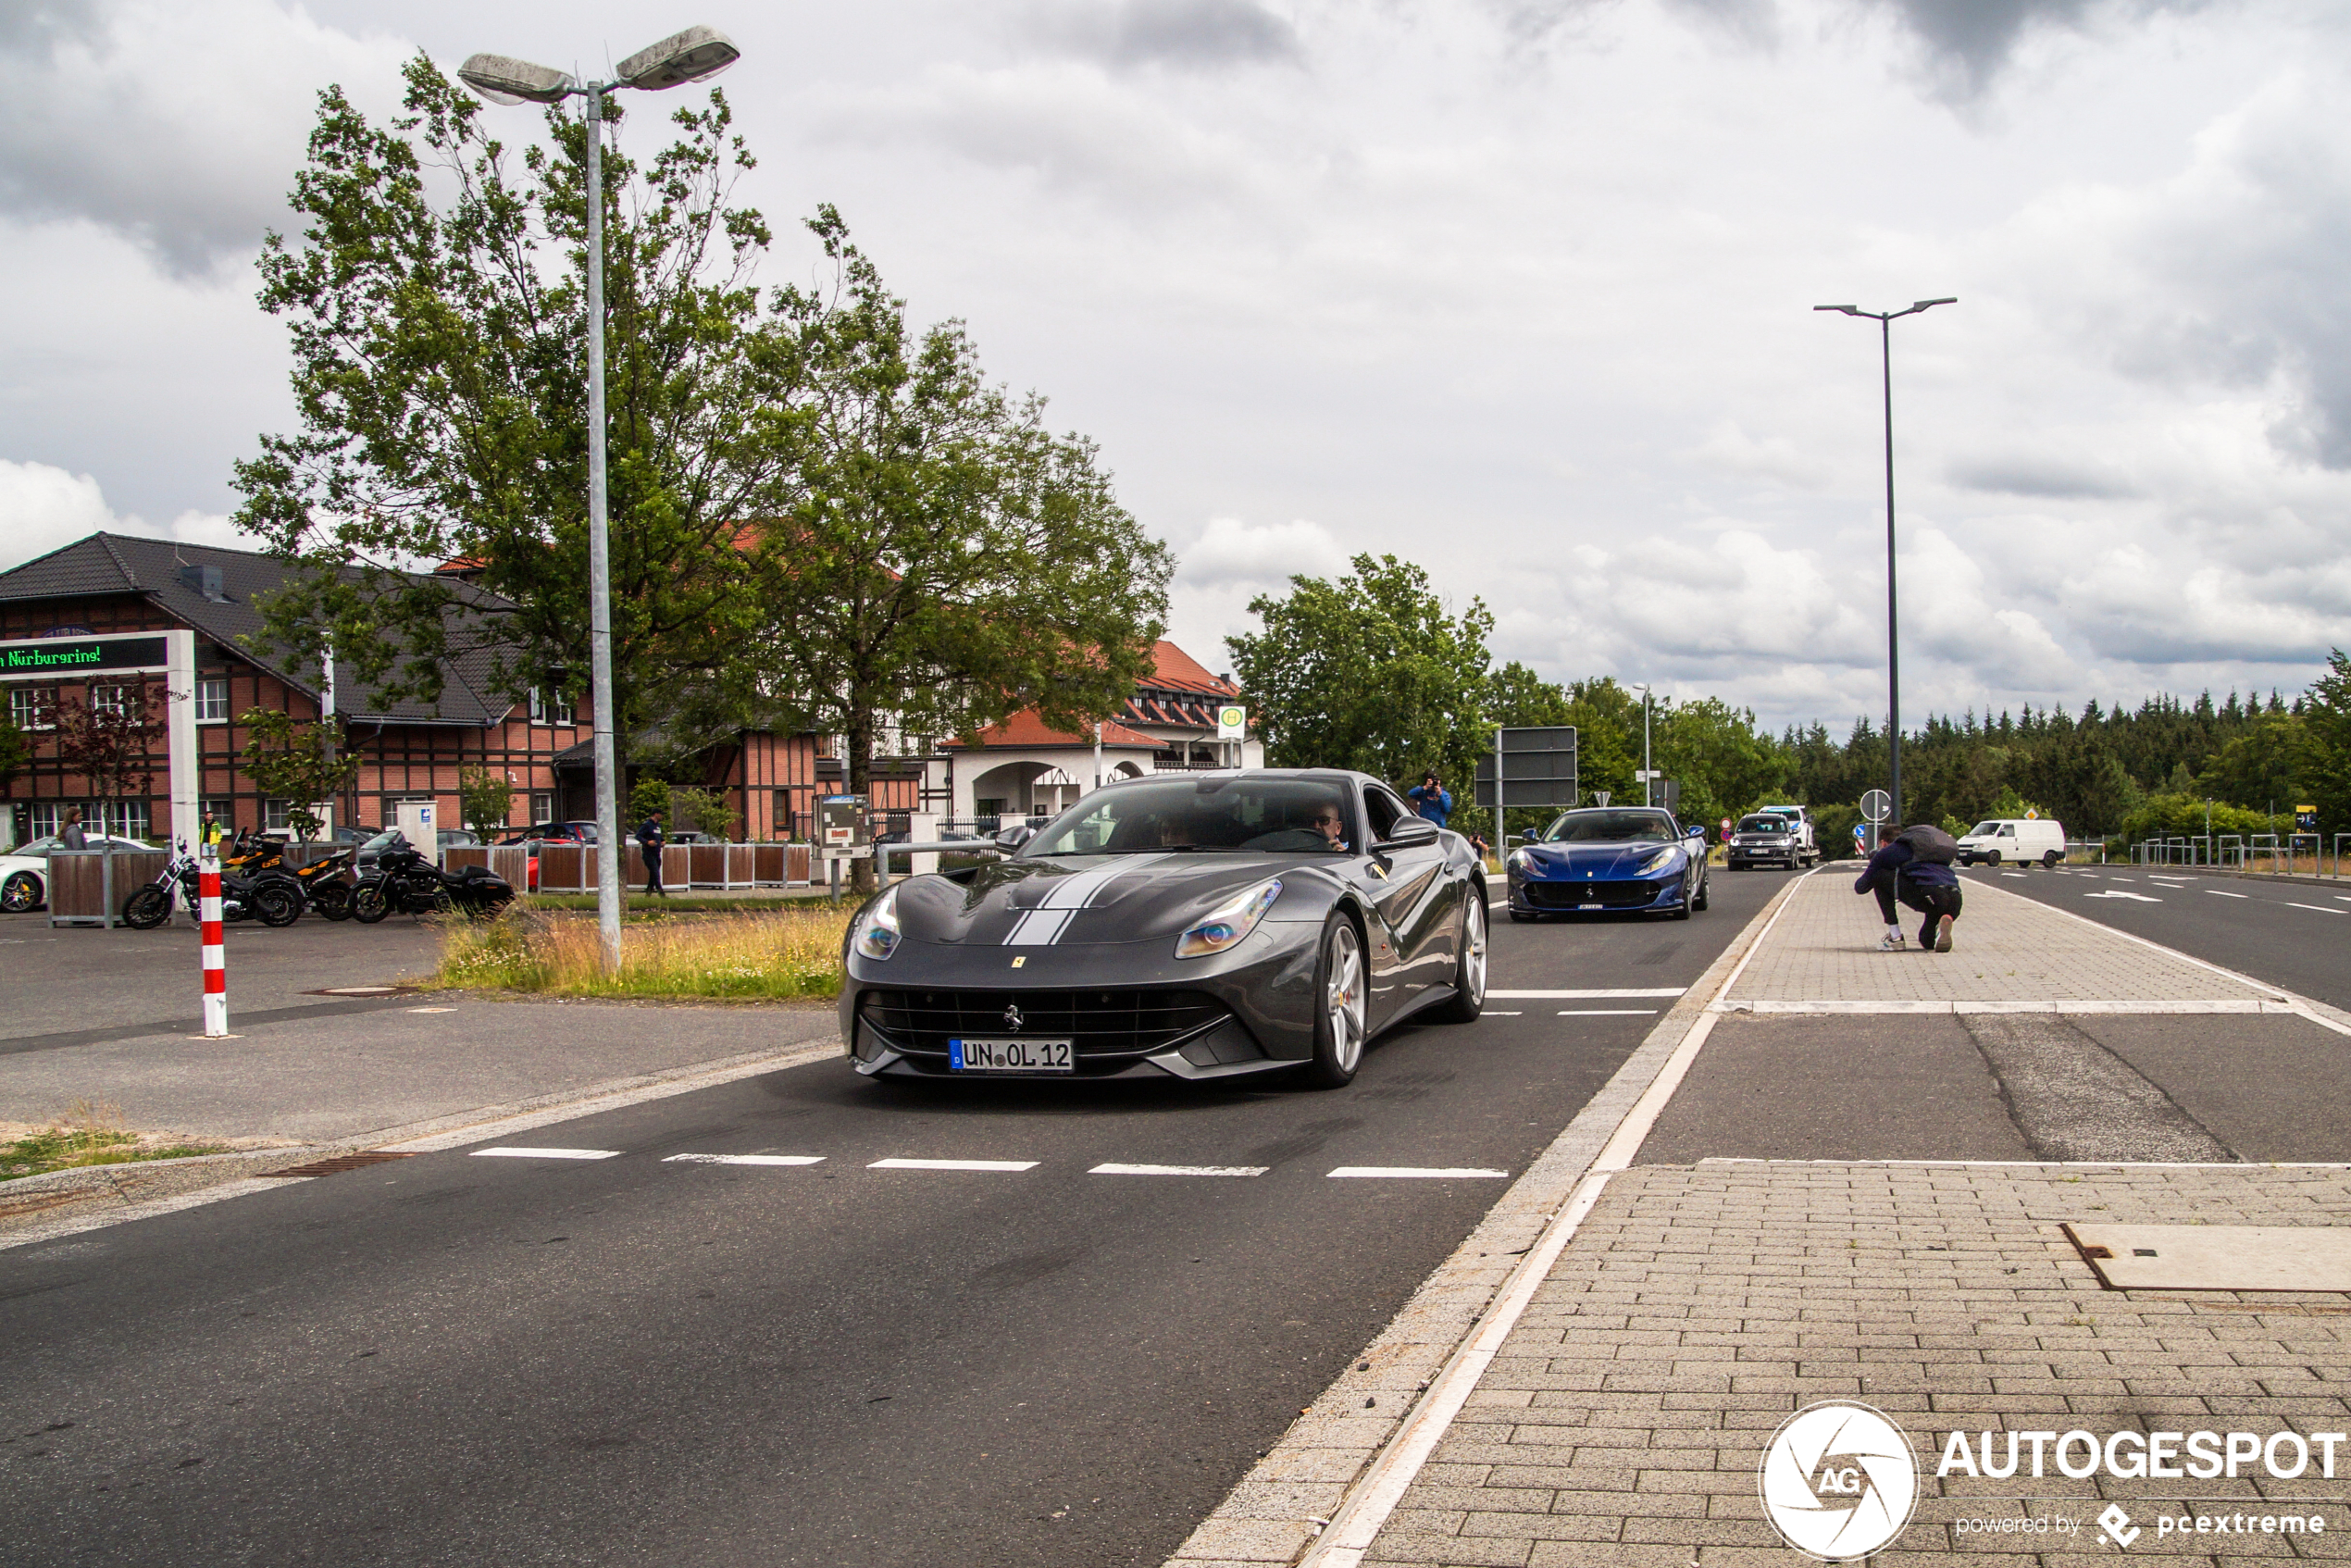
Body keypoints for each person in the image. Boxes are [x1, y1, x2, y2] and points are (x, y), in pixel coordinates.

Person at [1853, 826, 1961, 952]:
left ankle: (1895, 937)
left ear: (1883, 843)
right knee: (1926, 941)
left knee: (1879, 876)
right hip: (1955, 898)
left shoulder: (1890, 851)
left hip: (1929, 894)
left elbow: (1860, 888)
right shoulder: (1928, 851)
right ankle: (1943, 923)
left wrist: (1877, 862)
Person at [637, 807, 666, 898]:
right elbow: (638, 836)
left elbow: (658, 836)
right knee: (655, 873)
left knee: (654, 873)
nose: (662, 816)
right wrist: (647, 842)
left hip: (656, 852)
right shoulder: (647, 825)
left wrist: (662, 841)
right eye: (661, 814)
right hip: (648, 853)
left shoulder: (658, 825)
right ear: (656, 814)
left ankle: (648, 894)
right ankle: (661, 894)